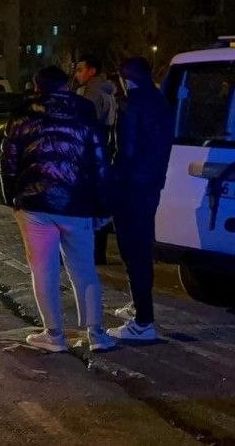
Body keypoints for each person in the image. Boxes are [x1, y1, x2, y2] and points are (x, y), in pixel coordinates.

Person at [1, 65, 116, 353]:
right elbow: (100, 164)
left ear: (36, 86)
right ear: (66, 86)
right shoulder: (85, 112)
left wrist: (12, 198)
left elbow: (8, 161)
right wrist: (103, 207)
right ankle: (96, 334)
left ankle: (54, 334)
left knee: (43, 269)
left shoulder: (22, 113)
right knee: (84, 268)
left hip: (34, 204)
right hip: (77, 203)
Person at [106, 57, 172, 342]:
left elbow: (126, 152)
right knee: (141, 249)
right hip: (150, 185)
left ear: (125, 78)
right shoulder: (160, 100)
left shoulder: (131, 105)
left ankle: (143, 321)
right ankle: (138, 306)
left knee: (133, 252)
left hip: (131, 188)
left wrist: (111, 184)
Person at [75, 55, 119, 264]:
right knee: (99, 203)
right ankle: (98, 253)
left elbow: (82, 123)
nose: (77, 74)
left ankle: (90, 252)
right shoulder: (109, 91)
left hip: (89, 153)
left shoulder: (90, 93)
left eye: (80, 69)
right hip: (103, 150)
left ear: (91, 71)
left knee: (86, 203)